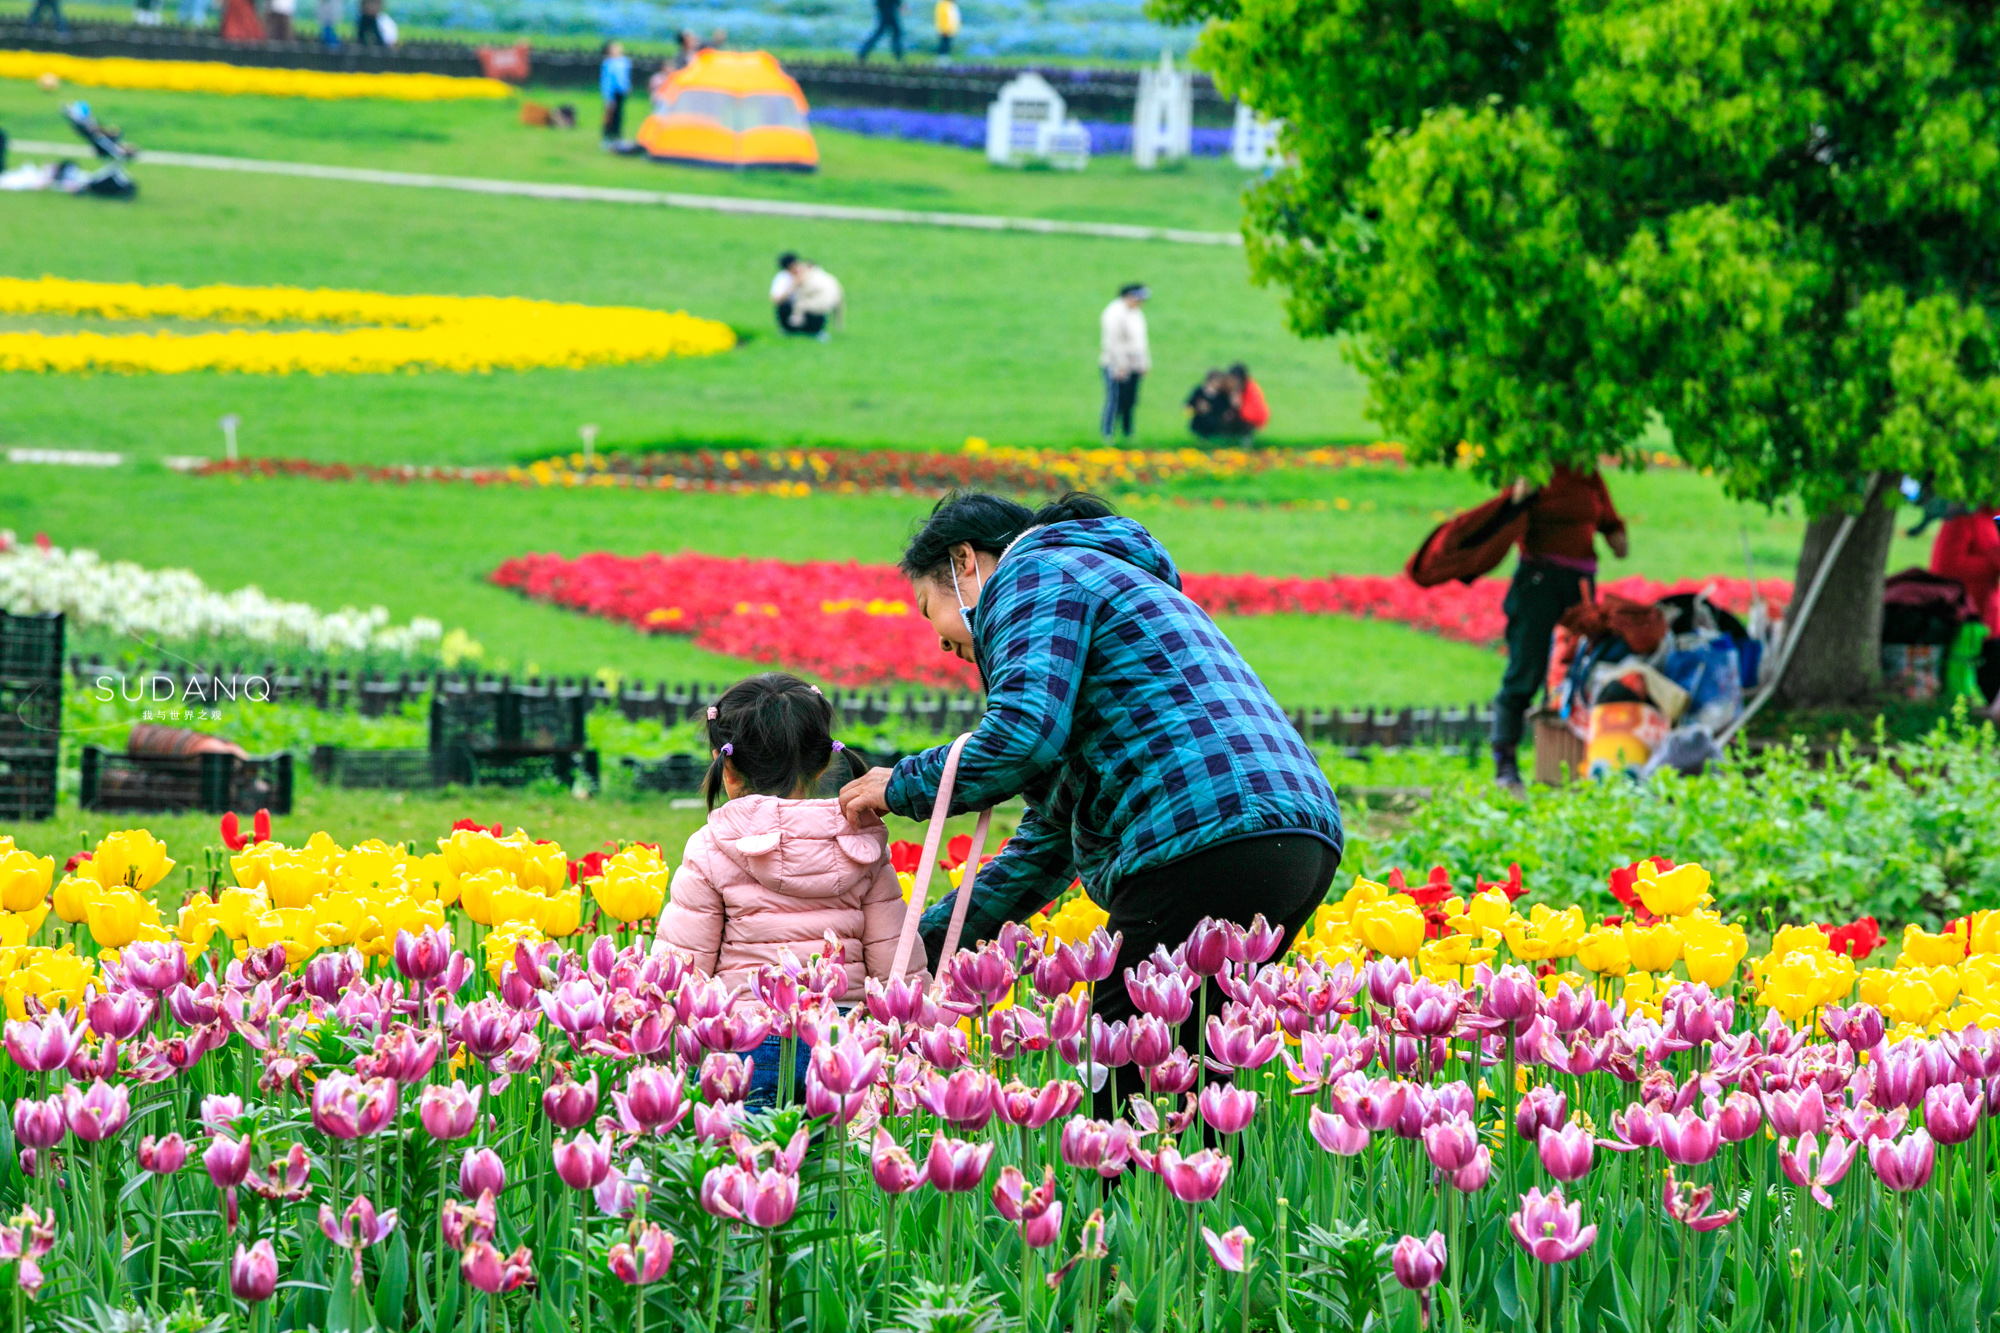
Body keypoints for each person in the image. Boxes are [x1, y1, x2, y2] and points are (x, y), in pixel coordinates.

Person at [838, 491, 1344, 1104]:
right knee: (1187, 1079)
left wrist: (902, 784)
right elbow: (1050, 842)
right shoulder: (1104, 586)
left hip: (1199, 831)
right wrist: (916, 945)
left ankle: (1113, 1201)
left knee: (1121, 1064)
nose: (945, 647)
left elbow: (1023, 734)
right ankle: (1187, 1199)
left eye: (929, 611)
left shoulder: (1034, 572)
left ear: (964, 563)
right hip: (1292, 842)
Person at [655, 673, 918, 1105]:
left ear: (729, 770)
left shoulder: (711, 846)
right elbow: (896, 960)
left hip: (746, 1038)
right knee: (836, 1164)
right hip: (842, 1038)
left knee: (750, 1161)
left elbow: (682, 966)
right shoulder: (862, 843)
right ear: (822, 764)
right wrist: (913, 1035)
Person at [1488, 466, 1629, 789]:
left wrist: (1614, 533)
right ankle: (1505, 764)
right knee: (1526, 668)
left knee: (1576, 672)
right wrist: (1518, 498)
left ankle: (1568, 763)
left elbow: (1613, 529)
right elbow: (1503, 518)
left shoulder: (1586, 474)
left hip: (1579, 584)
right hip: (1537, 581)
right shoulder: (1532, 468)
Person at [1930, 504, 2000, 708]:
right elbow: (1947, 567)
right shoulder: (1964, 517)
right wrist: (1992, 563)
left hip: (1991, 614)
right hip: (1963, 613)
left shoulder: (1995, 517)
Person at [1099, 283, 1150, 442]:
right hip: (1116, 365)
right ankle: (1108, 433)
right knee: (1115, 400)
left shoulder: (1136, 313)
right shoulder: (1114, 313)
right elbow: (1113, 342)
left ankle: (1128, 433)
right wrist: (1120, 365)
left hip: (1135, 364)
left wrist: (1144, 362)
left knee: (1130, 401)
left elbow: (1141, 341)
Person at [779, 256, 843, 339]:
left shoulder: (810, 276)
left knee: (800, 303)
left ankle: (797, 321)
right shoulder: (823, 275)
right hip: (832, 300)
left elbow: (802, 292)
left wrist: (794, 284)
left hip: (821, 303)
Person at [1185, 369, 1244, 440]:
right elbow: (1189, 405)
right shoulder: (1200, 392)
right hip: (1200, 420)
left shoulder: (1221, 395)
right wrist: (1198, 407)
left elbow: (1226, 406)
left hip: (1214, 422)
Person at [599, 41, 632, 145]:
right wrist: (607, 95)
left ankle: (617, 136)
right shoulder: (608, 63)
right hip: (611, 92)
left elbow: (625, 77)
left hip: (621, 92)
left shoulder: (624, 62)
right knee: (610, 114)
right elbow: (606, 80)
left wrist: (627, 88)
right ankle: (607, 137)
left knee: (619, 115)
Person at [1229, 362, 1269, 434]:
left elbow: (1253, 413)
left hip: (1253, 420)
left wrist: (1238, 406)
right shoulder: (1244, 387)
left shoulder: (1250, 389)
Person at [769, 250, 800, 332]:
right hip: (790, 306)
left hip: (805, 306)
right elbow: (776, 299)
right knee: (783, 306)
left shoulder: (805, 275)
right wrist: (792, 285)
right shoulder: (782, 278)